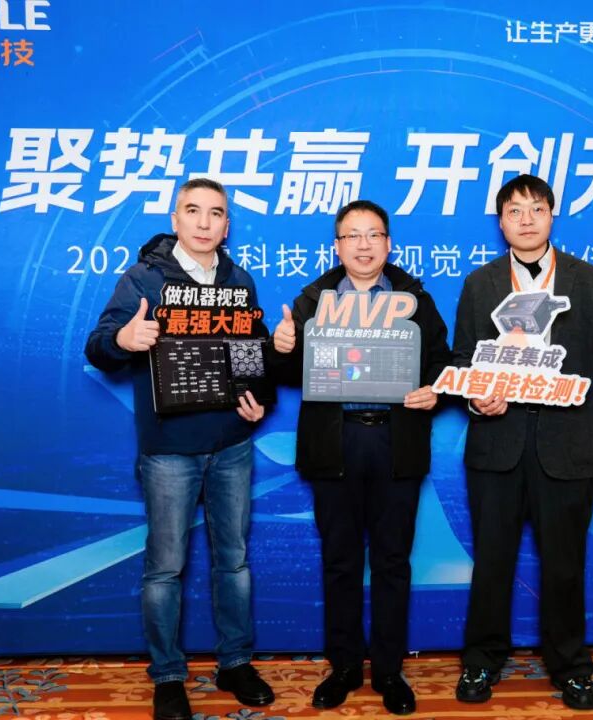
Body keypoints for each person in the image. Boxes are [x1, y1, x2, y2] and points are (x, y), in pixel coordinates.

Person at [85, 178, 274, 720]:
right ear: (176, 219)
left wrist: (256, 399)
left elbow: (248, 354)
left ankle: (235, 662)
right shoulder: (144, 279)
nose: (204, 222)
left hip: (232, 445)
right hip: (169, 449)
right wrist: (123, 341)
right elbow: (98, 345)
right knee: (166, 567)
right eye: (193, 211)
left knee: (233, 562)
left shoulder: (239, 281)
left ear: (227, 225)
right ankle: (167, 675)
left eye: (215, 213)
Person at [452, 174, 593, 711]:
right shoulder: (480, 283)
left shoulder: (586, 279)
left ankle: (571, 667)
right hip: (497, 445)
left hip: (567, 445)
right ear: (501, 222)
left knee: (564, 565)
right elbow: (463, 359)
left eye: (536, 208)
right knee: (492, 562)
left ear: (552, 215)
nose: (526, 219)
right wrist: (477, 398)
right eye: (514, 210)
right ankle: (482, 661)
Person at [269, 199, 451, 716]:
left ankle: (389, 671)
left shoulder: (415, 299)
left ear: (388, 244)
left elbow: (443, 362)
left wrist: (435, 391)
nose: (364, 245)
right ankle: (345, 666)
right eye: (353, 236)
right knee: (341, 560)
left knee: (393, 561)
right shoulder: (314, 300)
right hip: (336, 442)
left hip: (396, 442)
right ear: (338, 246)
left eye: (374, 235)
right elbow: (287, 374)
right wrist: (283, 346)